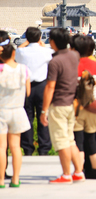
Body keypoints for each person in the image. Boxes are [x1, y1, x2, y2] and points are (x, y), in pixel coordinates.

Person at [40, 28, 84, 184]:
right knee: (70, 140)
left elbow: (50, 87)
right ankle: (78, 172)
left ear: (52, 42)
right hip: (70, 103)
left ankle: (66, 175)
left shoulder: (55, 61)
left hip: (58, 104)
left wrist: (44, 110)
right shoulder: (74, 55)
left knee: (61, 141)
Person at [0, 31, 31, 188]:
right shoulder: (23, 69)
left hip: (1, 111)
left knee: (1, 147)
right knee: (15, 147)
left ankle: (0, 180)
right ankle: (16, 179)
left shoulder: (0, 69)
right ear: (13, 53)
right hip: (18, 110)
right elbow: (28, 92)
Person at [16, 26, 53, 156]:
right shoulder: (45, 52)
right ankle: (44, 148)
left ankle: (28, 148)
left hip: (26, 86)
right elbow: (51, 53)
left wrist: (26, 43)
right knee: (43, 116)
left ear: (26, 37)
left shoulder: (21, 52)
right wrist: (41, 44)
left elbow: (17, 51)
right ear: (39, 37)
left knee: (27, 118)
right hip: (42, 86)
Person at [72, 35, 96, 179]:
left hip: (77, 107)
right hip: (92, 105)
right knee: (91, 139)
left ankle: (80, 170)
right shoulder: (95, 64)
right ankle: (95, 171)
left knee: (78, 140)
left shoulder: (73, 63)